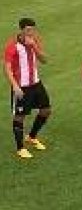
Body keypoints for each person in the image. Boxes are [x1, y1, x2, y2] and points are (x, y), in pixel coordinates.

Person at [6, 17, 51, 159]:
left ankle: (31, 137)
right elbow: (7, 68)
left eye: (32, 30)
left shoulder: (34, 41)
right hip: (21, 86)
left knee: (46, 110)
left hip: (36, 83)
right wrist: (15, 85)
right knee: (20, 116)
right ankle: (20, 148)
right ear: (21, 30)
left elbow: (44, 60)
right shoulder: (12, 46)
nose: (31, 32)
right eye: (28, 30)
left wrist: (34, 46)